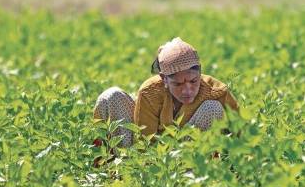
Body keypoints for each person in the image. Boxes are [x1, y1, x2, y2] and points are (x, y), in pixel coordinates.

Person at [94, 37, 238, 147]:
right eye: (178, 84)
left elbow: (241, 131)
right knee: (111, 96)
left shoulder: (215, 91)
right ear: (164, 79)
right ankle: (120, 171)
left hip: (192, 158)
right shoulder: (150, 92)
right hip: (154, 158)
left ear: (200, 73)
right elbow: (144, 142)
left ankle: (193, 176)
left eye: (193, 81)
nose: (187, 90)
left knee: (212, 108)